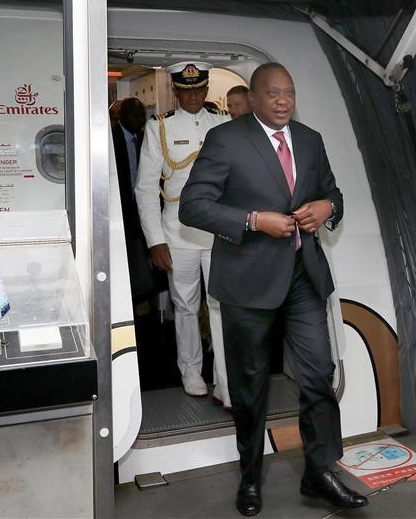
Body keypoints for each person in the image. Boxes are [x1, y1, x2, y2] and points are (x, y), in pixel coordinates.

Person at [180, 62, 368, 516]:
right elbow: (192, 206)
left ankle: (319, 471)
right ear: (253, 97)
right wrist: (252, 220)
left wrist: (327, 208)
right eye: (273, 93)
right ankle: (250, 476)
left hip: (303, 276)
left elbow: (334, 194)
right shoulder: (226, 139)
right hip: (248, 281)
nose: (283, 101)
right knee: (250, 387)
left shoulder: (310, 139)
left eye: (289, 92)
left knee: (319, 374)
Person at [135, 61, 231, 405]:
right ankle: (190, 371)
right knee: (186, 305)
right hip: (177, 231)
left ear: (206, 89)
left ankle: (225, 381)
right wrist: (155, 241)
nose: (193, 96)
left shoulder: (223, 123)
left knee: (221, 305)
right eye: (185, 90)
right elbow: (146, 188)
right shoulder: (158, 127)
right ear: (175, 91)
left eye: (198, 89)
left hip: (219, 232)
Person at [111, 97, 166, 306]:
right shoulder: (109, 139)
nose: (141, 119)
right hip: (119, 212)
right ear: (122, 116)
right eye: (136, 115)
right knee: (125, 261)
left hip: (144, 211)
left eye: (143, 115)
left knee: (145, 262)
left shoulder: (147, 139)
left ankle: (145, 302)